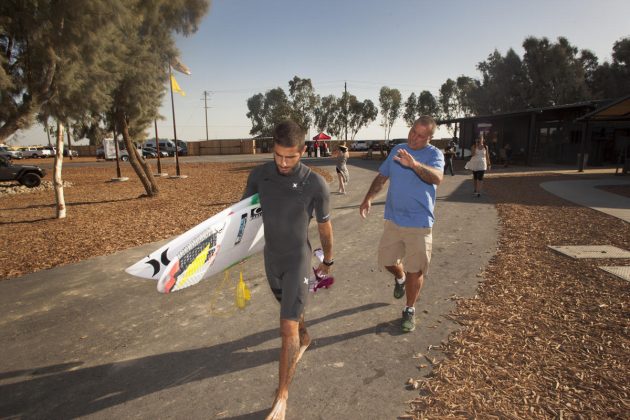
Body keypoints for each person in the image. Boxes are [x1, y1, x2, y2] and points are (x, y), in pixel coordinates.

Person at [242, 120, 334, 420]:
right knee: (290, 309)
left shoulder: (315, 184)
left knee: (286, 327)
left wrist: (327, 259)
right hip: (272, 259)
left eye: (291, 157)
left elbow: (324, 225)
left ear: (303, 150)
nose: (283, 163)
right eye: (278, 155)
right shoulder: (259, 175)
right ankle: (305, 336)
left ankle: (281, 397)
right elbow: (242, 216)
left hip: (297, 259)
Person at [359, 116, 444, 333]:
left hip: (419, 222)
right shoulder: (398, 148)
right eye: (413, 131)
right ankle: (400, 277)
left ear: (430, 138)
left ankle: (409, 309)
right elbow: (382, 176)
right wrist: (368, 197)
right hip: (394, 220)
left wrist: (414, 164)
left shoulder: (435, 155)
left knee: (416, 269)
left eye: (420, 135)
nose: (414, 138)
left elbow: (436, 178)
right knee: (387, 261)